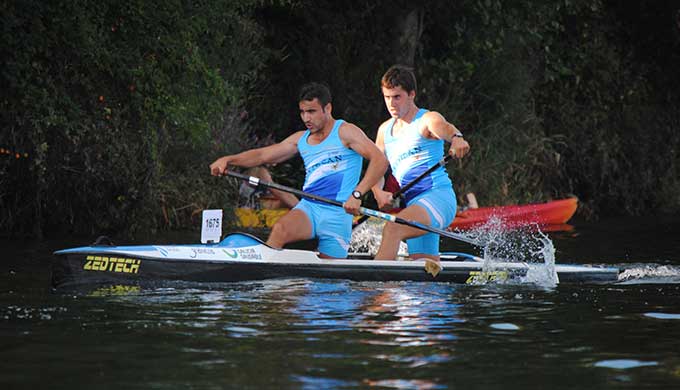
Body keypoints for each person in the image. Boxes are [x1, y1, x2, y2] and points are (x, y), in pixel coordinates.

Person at [210, 82, 388, 258]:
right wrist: (229, 160)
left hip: (339, 215)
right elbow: (262, 156)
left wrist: (357, 195)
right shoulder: (300, 139)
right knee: (281, 229)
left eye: (311, 111)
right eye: (302, 112)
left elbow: (380, 160)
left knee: (330, 285)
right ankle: (268, 283)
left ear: (327, 109)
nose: (306, 118)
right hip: (310, 208)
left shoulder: (346, 132)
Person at [371, 65, 470, 275]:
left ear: (412, 95)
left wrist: (457, 138)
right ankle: (434, 305)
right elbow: (377, 170)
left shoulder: (426, 120)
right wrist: (379, 193)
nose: (391, 103)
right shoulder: (384, 131)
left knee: (393, 228)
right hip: (415, 204)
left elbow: (445, 127)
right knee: (425, 272)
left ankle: (374, 298)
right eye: (387, 97)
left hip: (437, 198)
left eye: (397, 97)